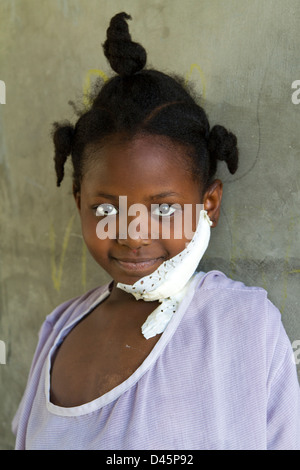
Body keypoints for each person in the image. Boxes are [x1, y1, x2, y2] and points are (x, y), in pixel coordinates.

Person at [12, 12, 300, 450]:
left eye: (163, 208)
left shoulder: (243, 327)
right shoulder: (59, 330)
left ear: (209, 204)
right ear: (78, 202)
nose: (132, 234)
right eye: (107, 208)